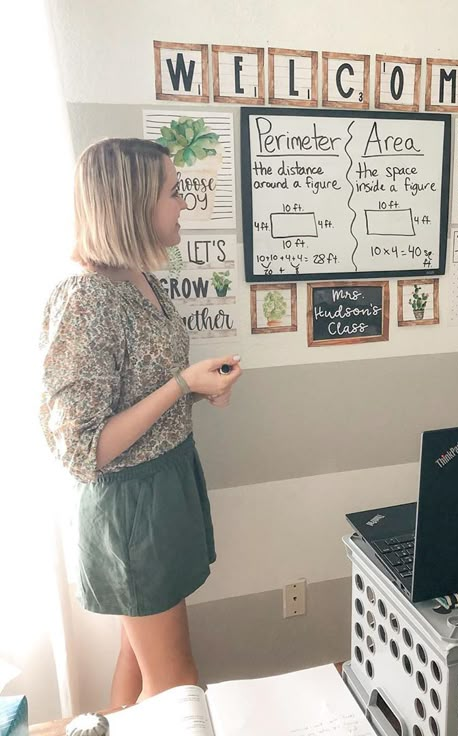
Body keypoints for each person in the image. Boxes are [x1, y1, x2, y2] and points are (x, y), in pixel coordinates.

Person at [39, 138, 243, 705]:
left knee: (138, 656)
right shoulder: (85, 298)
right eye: (174, 192)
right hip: (133, 506)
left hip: (168, 483)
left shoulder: (139, 279)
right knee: (177, 683)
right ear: (133, 202)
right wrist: (182, 385)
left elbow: (139, 397)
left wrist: (199, 391)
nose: (185, 204)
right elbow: (86, 448)